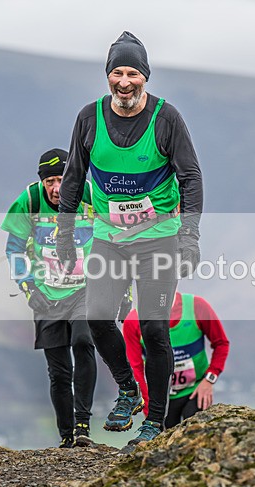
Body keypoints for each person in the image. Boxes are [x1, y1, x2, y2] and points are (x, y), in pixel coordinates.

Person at [55, 31, 204, 446]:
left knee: (154, 329)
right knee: (98, 317)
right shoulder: (89, 118)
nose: (124, 82)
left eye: (133, 74)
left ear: (145, 77)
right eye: (117, 73)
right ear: (108, 76)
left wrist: (190, 236)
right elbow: (73, 177)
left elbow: (191, 177)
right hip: (109, 238)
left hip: (159, 238)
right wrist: (65, 235)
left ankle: (154, 422)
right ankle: (127, 389)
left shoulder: (166, 118)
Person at [0, 148, 97, 448]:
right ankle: (67, 436)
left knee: (83, 341)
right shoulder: (29, 201)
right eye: (50, 181)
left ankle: (83, 425)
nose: (56, 188)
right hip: (46, 293)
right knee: (59, 372)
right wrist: (29, 287)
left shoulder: (92, 195)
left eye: (63, 179)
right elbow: (13, 249)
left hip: (85, 289)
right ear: (42, 182)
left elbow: (117, 240)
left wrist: (124, 291)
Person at [124, 292, 229, 428]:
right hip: (161, 398)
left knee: (194, 429)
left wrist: (209, 380)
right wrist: (149, 410)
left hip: (195, 390)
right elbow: (135, 370)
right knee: (166, 435)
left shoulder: (197, 306)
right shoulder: (133, 321)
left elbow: (221, 343)